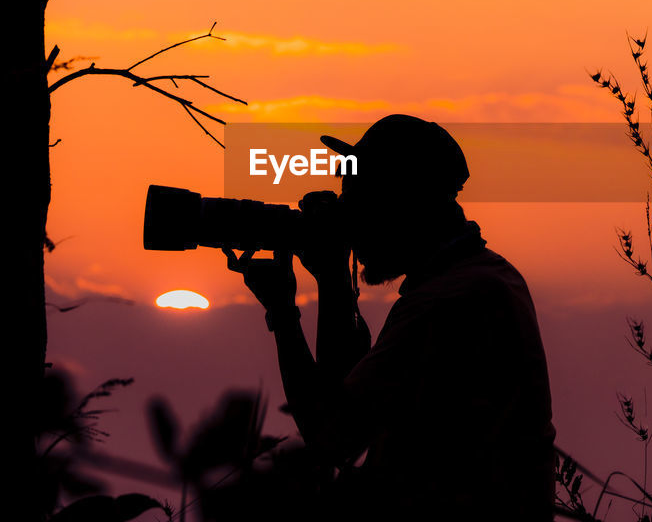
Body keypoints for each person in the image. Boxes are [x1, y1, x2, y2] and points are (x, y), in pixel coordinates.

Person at [224, 114, 557, 521]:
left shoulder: (447, 302)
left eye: (358, 198)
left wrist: (282, 312)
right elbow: (348, 390)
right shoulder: (486, 277)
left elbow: (332, 436)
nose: (349, 217)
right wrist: (333, 281)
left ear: (401, 204)